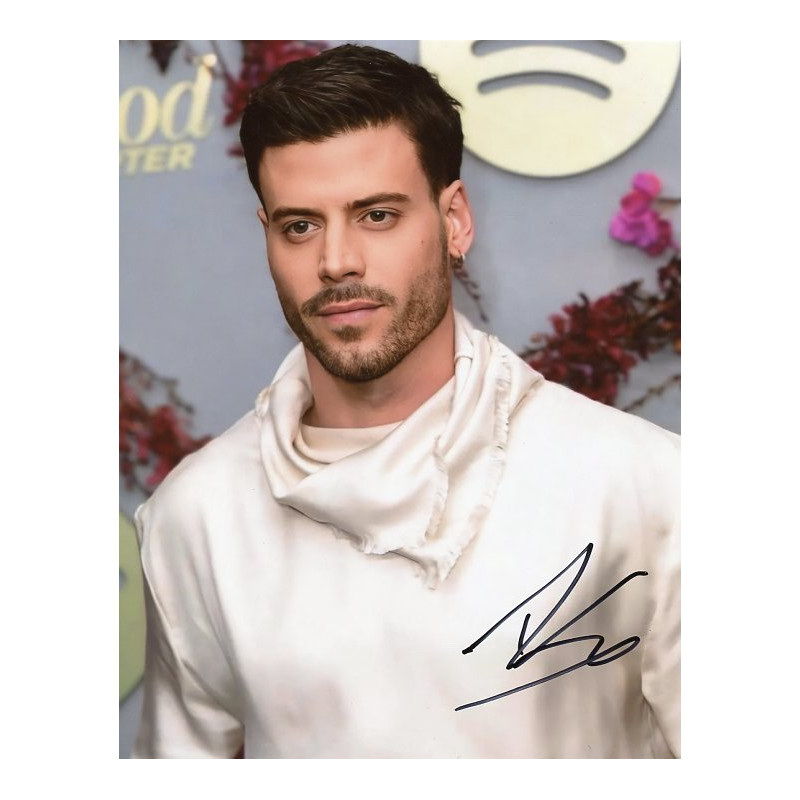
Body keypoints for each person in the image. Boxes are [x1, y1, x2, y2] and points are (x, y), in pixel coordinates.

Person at [132, 44, 680, 759]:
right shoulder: (196, 516)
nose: (337, 261)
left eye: (377, 215)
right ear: (267, 237)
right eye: (301, 226)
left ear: (454, 221)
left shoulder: (642, 483)